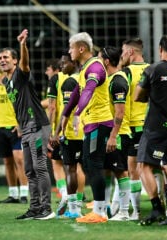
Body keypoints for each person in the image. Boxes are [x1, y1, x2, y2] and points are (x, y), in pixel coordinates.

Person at [0, 29, 54, 220]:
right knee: (29, 170)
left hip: (38, 126)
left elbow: (25, 63)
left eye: (6, 57)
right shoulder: (6, 82)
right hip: (26, 128)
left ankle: (47, 208)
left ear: (15, 61)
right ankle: (35, 207)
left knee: (40, 167)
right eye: (0, 58)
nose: (2, 60)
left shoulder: (21, 75)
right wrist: (20, 125)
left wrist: (23, 44)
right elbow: (18, 106)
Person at [62, 32, 113, 223]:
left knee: (94, 165)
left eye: (71, 47)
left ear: (81, 48)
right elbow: (77, 93)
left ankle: (100, 211)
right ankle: (101, 207)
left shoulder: (96, 68)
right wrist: (66, 114)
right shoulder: (85, 69)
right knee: (90, 163)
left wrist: (76, 114)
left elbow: (89, 90)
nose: (69, 51)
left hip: (99, 123)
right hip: (91, 124)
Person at [135, 35, 167, 226]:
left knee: (143, 166)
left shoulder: (153, 69)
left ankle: (156, 208)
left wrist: (151, 93)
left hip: (155, 127)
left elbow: (138, 96)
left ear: (160, 48)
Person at [0, 54, 29, 204]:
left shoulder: (16, 78)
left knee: (19, 159)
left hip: (15, 125)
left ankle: (24, 192)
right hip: (0, 126)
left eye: (2, 59)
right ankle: (13, 194)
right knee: (7, 161)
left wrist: (20, 123)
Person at [99, 46, 131, 221]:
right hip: (109, 133)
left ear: (106, 61)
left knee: (121, 172)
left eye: (98, 59)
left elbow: (120, 112)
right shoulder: (110, 79)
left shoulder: (118, 81)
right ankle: (104, 210)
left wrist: (112, 136)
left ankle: (124, 212)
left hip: (118, 134)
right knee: (105, 171)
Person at [52, 53, 85, 218]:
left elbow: (66, 110)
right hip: (86, 131)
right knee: (81, 169)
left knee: (70, 169)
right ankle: (83, 206)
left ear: (73, 63)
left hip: (71, 133)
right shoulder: (84, 78)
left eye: (65, 63)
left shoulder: (69, 82)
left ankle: (73, 210)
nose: (62, 66)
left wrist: (57, 132)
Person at [120, 38, 150, 220]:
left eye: (124, 51)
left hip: (133, 127)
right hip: (150, 126)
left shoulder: (127, 73)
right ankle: (162, 205)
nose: (122, 54)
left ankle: (136, 212)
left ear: (131, 52)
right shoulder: (152, 69)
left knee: (133, 170)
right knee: (156, 168)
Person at [45, 58, 69, 201]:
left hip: (60, 128)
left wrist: (50, 131)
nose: (46, 72)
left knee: (57, 163)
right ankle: (78, 196)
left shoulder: (56, 79)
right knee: (75, 165)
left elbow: (52, 107)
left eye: (48, 69)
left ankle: (65, 193)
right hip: (79, 127)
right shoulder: (78, 77)